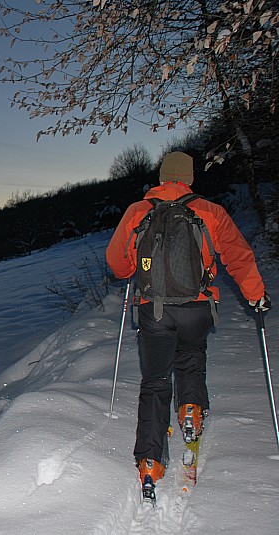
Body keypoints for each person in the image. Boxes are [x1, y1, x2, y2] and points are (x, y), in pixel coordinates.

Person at [105, 151, 271, 491]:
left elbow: (118, 264)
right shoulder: (211, 212)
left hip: (154, 310)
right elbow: (238, 255)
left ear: (161, 176)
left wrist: (137, 265)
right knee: (191, 356)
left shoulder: (139, 211)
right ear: (190, 177)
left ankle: (150, 460)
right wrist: (255, 294)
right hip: (196, 308)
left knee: (155, 380)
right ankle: (191, 410)